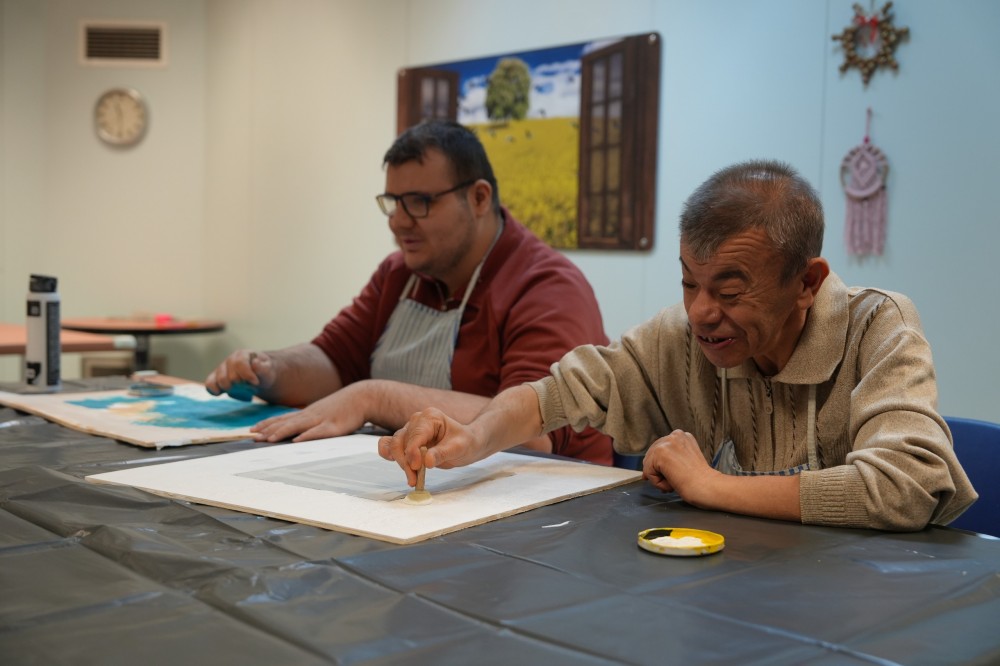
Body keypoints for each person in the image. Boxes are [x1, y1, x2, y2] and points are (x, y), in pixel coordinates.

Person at [380, 159, 978, 531]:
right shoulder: (681, 337)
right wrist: (474, 436)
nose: (701, 313)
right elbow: (555, 394)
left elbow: (909, 485)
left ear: (807, 283)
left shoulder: (878, 328)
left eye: (730, 291)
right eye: (689, 282)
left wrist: (711, 485)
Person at [206, 120, 612, 465]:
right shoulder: (400, 274)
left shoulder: (547, 288)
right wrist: (270, 369)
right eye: (393, 202)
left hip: (547, 505)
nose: (398, 222)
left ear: (479, 198)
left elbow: (535, 431)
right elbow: (335, 360)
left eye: (419, 202)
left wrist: (374, 397)